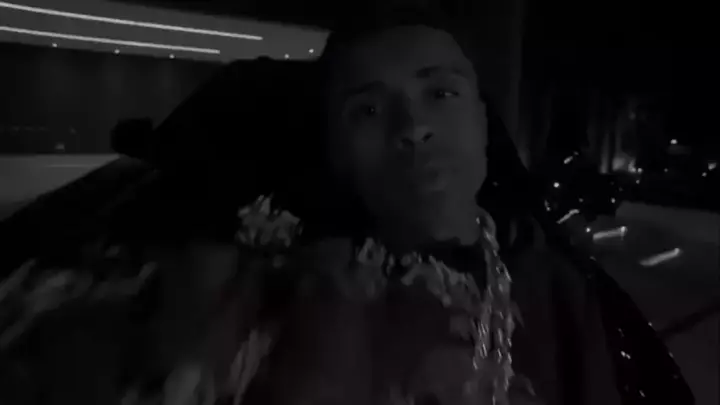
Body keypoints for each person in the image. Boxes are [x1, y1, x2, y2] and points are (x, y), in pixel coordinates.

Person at [0, 8, 621, 405]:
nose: (413, 128)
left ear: (483, 120)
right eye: (368, 109)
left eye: (440, 93)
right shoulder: (270, 285)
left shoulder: (559, 289)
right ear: (337, 151)